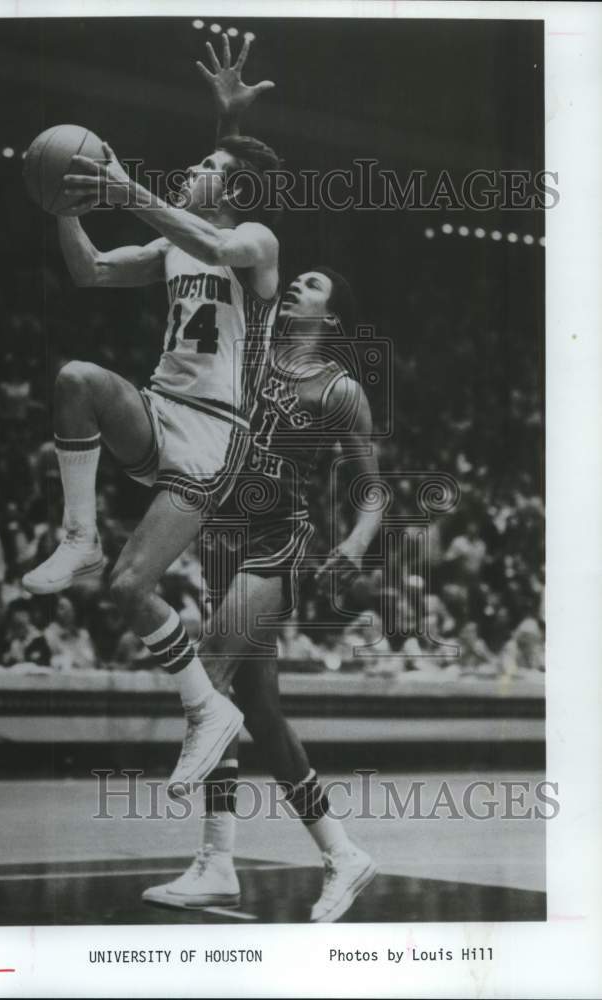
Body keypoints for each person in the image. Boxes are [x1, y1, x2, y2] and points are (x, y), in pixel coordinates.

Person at [141, 34, 382, 923]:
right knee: (257, 711)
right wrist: (229, 126)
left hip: (276, 536)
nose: (297, 285)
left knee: (207, 681)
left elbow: (374, 486)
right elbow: (221, 211)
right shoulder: (254, 322)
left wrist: (355, 543)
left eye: (313, 282)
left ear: (332, 312)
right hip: (219, 519)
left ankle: (218, 857)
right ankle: (337, 854)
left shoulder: (340, 388)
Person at [21, 54, 283, 788]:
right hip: (159, 408)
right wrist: (67, 207)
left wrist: (123, 186)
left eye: (206, 163)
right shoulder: (173, 245)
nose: (190, 168)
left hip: (213, 433)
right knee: (76, 379)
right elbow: (92, 271)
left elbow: (221, 243)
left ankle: (205, 707)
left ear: (231, 188)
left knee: (129, 591)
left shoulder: (257, 242)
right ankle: (78, 536)